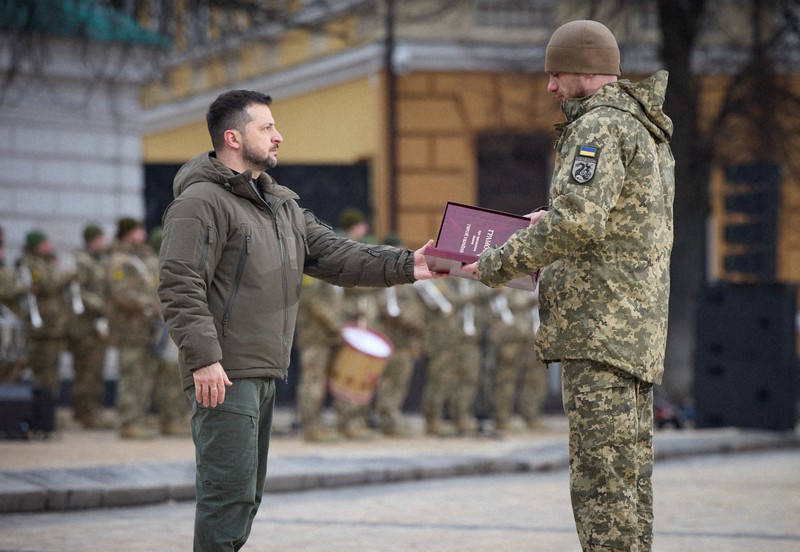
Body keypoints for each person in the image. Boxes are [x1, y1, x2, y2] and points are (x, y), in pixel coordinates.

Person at [157, 89, 443, 551]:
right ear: (233, 138)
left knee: (245, 498)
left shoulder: (281, 206)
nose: (279, 136)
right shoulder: (200, 202)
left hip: (262, 369)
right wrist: (205, 358)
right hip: (224, 373)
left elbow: (339, 255)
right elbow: (179, 284)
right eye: (267, 127)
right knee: (226, 497)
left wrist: (411, 264)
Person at [464, 20, 674, 551]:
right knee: (627, 483)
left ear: (585, 70)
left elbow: (579, 221)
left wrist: (495, 263)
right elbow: (615, 222)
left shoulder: (598, 125)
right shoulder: (642, 126)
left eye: (557, 73)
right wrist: (551, 219)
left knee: (601, 487)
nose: (551, 86)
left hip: (598, 332)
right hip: (632, 333)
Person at [107, 218, 161, 439]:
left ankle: (138, 417)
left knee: (143, 377)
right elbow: (120, 293)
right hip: (129, 330)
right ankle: (128, 422)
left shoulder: (142, 257)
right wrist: (148, 304)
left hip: (145, 330)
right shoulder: (120, 260)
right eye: (138, 230)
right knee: (130, 377)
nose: (143, 234)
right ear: (128, 233)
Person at [66, 224, 113, 429]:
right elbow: (77, 292)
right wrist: (101, 304)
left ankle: (91, 411)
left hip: (98, 326)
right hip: (84, 326)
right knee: (86, 372)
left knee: (95, 371)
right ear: (91, 240)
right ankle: (85, 413)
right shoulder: (81, 261)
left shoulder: (101, 260)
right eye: (99, 239)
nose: (103, 243)